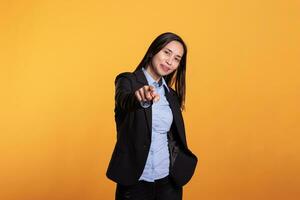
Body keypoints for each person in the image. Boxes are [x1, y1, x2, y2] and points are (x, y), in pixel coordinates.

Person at [106, 32, 198, 200]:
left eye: (177, 58)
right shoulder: (127, 81)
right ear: (153, 51)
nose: (170, 61)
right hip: (135, 184)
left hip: (168, 184)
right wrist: (139, 97)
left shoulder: (172, 95)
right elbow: (124, 100)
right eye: (167, 52)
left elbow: (173, 136)